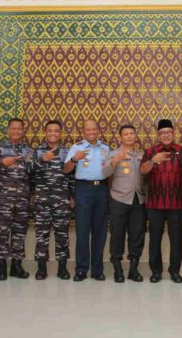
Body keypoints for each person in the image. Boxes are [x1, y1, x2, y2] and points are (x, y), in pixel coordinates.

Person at [141, 119, 182, 283]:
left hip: (176, 204)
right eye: (162, 133)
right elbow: (143, 170)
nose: (166, 135)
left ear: (173, 133)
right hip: (155, 204)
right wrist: (153, 160)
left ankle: (175, 271)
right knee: (155, 239)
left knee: (176, 240)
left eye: (169, 132)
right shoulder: (150, 152)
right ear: (158, 135)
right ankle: (156, 272)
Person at [0, 118, 33, 280]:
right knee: (2, 232)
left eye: (19, 129)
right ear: (8, 130)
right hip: (2, 199)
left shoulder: (28, 151)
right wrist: (2, 162)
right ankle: (1, 267)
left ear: (23, 130)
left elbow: (32, 175)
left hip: (22, 199)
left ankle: (16, 266)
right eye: (13, 129)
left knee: (20, 233)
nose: (16, 131)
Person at [64, 119, 110, 281]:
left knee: (100, 231)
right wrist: (75, 159)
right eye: (87, 129)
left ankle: (97, 269)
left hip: (102, 190)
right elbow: (66, 169)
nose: (91, 132)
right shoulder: (77, 148)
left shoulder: (106, 148)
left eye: (93, 129)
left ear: (98, 130)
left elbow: (110, 169)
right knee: (82, 231)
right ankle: (82, 269)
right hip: (83, 190)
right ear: (83, 131)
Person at [30, 120, 73, 280]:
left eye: (56, 131)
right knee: (42, 234)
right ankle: (41, 268)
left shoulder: (67, 152)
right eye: (50, 131)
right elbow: (29, 172)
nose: (53, 133)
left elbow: (72, 176)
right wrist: (43, 160)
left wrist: (72, 196)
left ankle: (62, 267)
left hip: (61, 199)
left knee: (62, 234)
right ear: (45, 132)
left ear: (60, 133)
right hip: (42, 199)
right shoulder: (37, 152)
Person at [103, 124, 146, 283]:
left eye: (132, 134)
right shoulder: (113, 154)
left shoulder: (141, 155)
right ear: (120, 137)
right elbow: (104, 173)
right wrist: (115, 161)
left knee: (137, 235)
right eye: (126, 134)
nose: (129, 136)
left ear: (135, 136)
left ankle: (133, 270)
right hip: (119, 199)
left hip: (138, 199)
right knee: (117, 234)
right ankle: (118, 269)